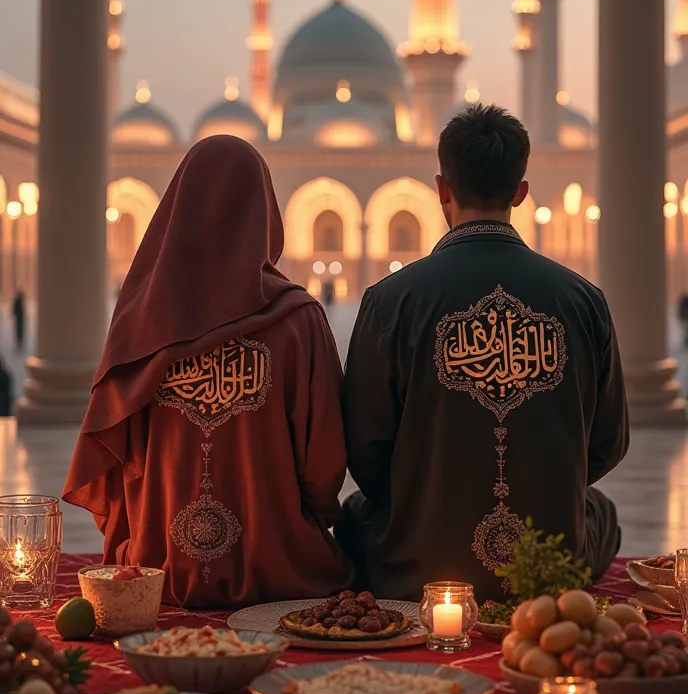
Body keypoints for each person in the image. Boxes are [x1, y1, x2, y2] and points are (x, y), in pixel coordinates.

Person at [336, 104, 628, 603]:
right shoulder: (583, 300)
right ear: (520, 192)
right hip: (549, 562)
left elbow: (364, 449)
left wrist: (424, 495)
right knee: (599, 510)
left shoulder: (390, 301)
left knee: (354, 517)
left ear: (442, 189)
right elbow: (606, 443)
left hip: (417, 563)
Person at [63, 136, 352, 608]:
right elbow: (324, 464)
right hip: (280, 569)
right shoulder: (297, 321)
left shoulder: (144, 324)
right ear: (263, 213)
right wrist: (300, 522)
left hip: (160, 570)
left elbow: (115, 453)